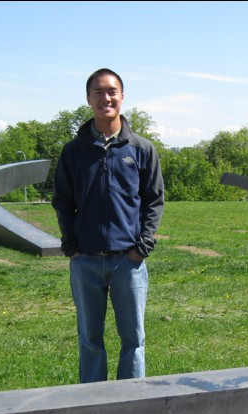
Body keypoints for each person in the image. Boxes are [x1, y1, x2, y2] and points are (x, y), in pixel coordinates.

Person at [53, 68, 165, 383]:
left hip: (128, 262)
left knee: (134, 341)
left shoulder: (141, 149)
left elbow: (153, 201)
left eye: (112, 91)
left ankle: (131, 406)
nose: (106, 98)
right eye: (99, 92)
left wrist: (142, 247)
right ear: (88, 99)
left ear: (122, 96)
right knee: (90, 341)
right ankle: (92, 409)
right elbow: (62, 200)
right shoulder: (74, 152)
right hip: (85, 261)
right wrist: (71, 245)